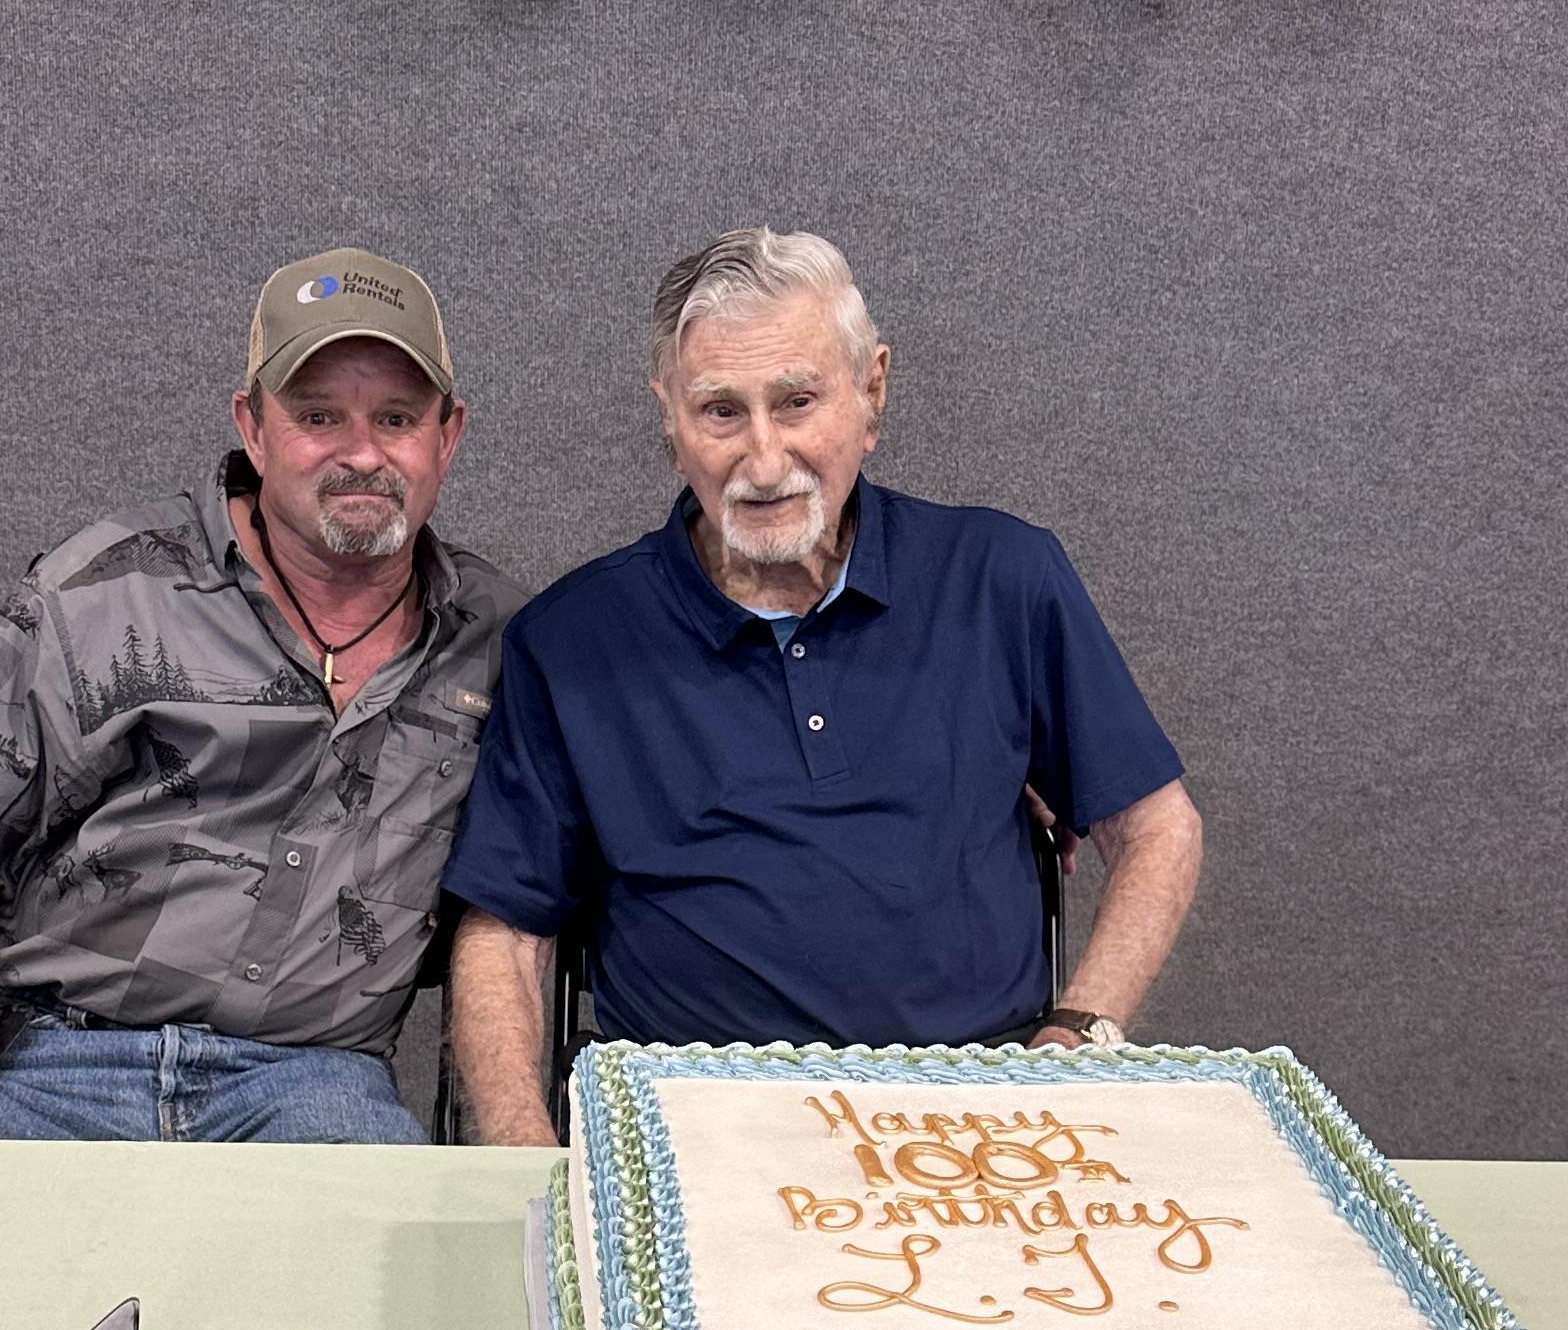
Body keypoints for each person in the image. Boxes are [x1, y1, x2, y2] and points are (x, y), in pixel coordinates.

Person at [444, 226, 1201, 1144]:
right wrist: (526, 1156)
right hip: (694, 1126)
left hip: (981, 1113)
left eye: (797, 401)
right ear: (669, 420)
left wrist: (1077, 1039)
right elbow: (506, 934)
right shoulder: (571, 641)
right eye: (721, 411)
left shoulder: (1003, 579)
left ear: (871, 393)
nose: (763, 460)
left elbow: (1157, 826)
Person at [0, 250, 518, 1145]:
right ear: (252, 425)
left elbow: (524, 901)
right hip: (58, 1065)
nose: (362, 453)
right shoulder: (105, 597)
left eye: (395, 418)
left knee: (378, 1278)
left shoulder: (502, 640)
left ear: (449, 435)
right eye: (318, 417)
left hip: (317, 1086)